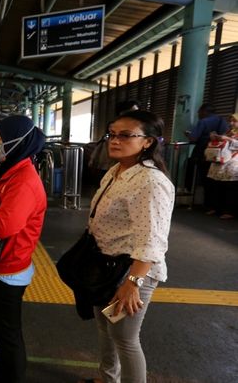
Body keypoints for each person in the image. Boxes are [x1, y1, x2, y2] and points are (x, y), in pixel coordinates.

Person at [80, 110, 174, 383]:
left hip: (130, 272)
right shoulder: (117, 171)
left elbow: (152, 240)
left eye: (126, 135)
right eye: (112, 134)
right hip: (106, 266)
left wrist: (132, 283)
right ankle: (109, 378)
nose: (115, 140)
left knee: (125, 338)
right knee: (105, 328)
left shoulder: (150, 181)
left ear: (148, 142)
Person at [0, 115, 47, 383]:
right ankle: (3, 370)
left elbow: (4, 225)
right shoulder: (10, 171)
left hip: (9, 265)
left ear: (17, 143)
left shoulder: (23, 181)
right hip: (1, 261)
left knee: (8, 332)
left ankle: (11, 376)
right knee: (2, 329)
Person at [184, 103, 228, 192]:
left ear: (204, 112)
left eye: (199, 112)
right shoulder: (222, 120)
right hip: (219, 154)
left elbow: (194, 137)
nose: (198, 114)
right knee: (214, 178)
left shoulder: (203, 121)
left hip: (203, 153)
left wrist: (188, 134)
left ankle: (191, 192)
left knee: (202, 176)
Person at [203, 113, 238, 219]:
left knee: (230, 187)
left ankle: (228, 211)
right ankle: (216, 208)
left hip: (233, 162)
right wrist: (217, 137)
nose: (231, 123)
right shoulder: (229, 132)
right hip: (220, 161)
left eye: (234, 121)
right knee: (216, 185)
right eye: (230, 121)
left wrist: (228, 139)